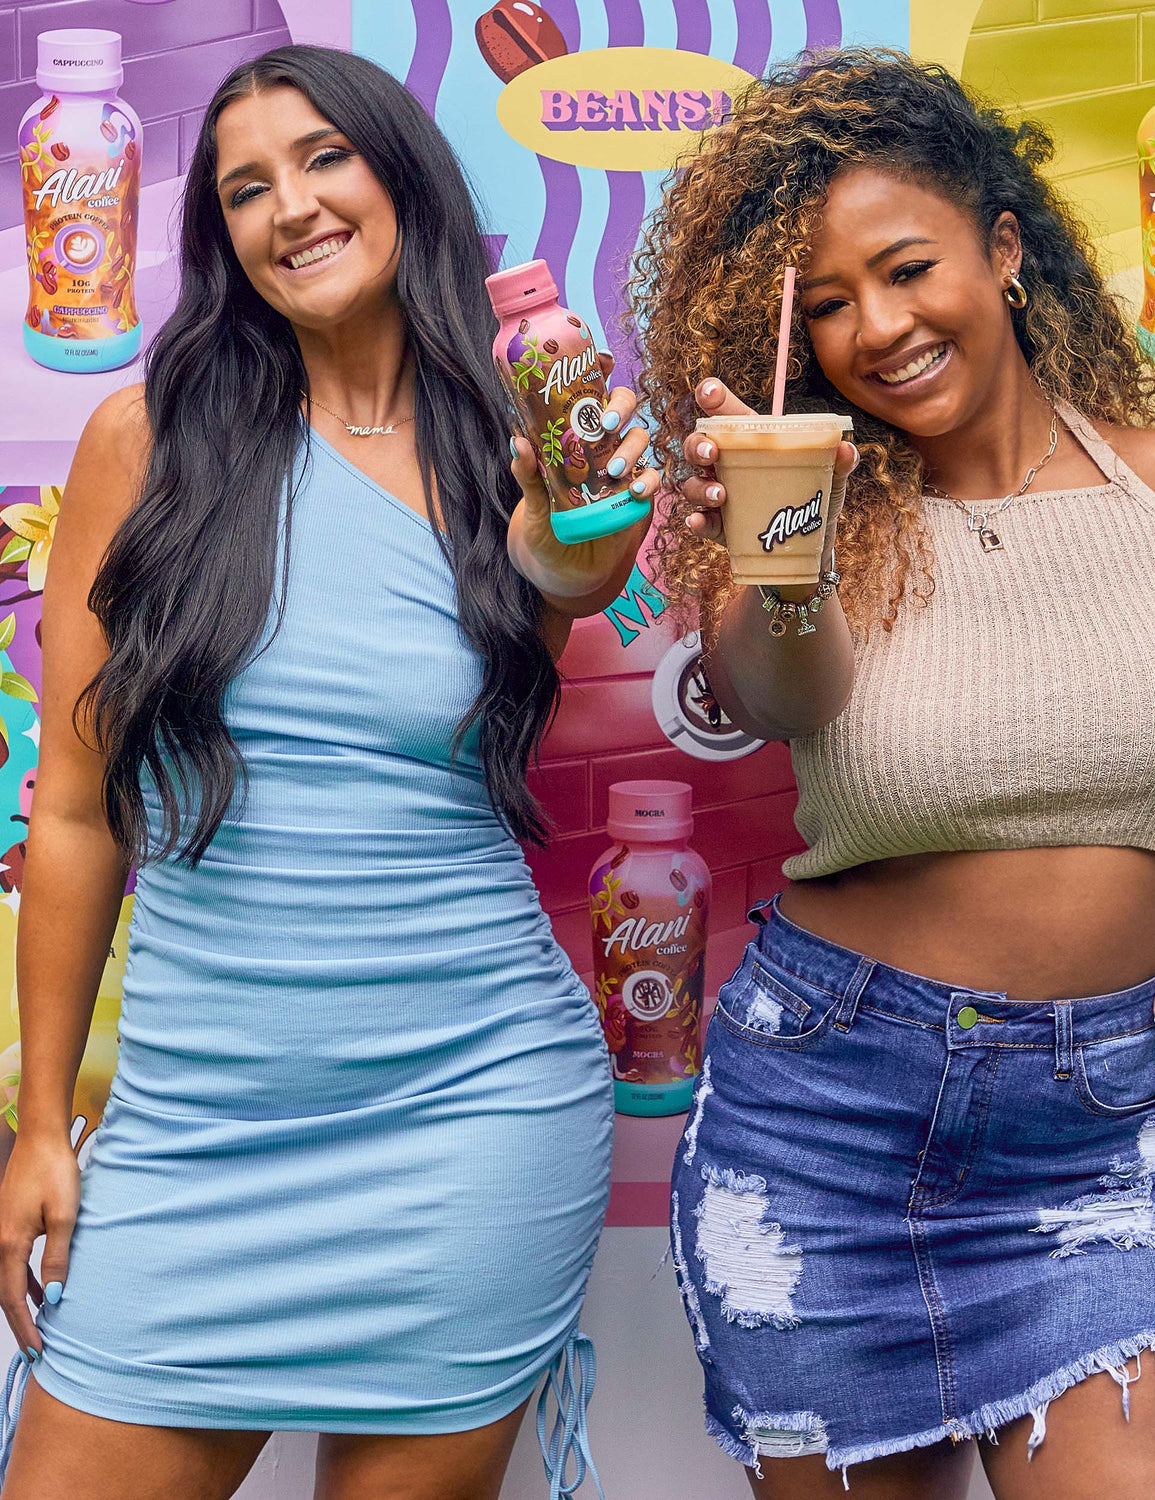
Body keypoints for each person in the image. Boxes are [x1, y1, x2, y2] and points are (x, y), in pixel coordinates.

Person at [0, 44, 657, 1500]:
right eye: (244, 188)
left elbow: (559, 608)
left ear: (400, 172)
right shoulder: (150, 442)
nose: (289, 206)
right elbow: (71, 804)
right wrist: (44, 1124)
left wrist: (585, 551)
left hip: (472, 1118)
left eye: (322, 159)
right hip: (192, 1137)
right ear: (220, 236)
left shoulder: (519, 437)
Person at [632, 46, 1155, 1500]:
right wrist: (776, 542)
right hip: (824, 1125)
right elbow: (776, 693)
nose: (875, 328)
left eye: (905, 270)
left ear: (1003, 251)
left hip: (1118, 1135)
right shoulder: (813, 518)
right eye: (825, 306)